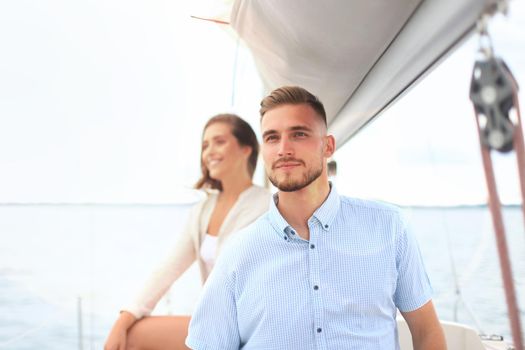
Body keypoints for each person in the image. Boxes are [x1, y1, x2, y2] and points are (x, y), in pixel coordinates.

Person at [186, 86, 446, 349]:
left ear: (328, 145)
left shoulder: (389, 228)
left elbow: (427, 333)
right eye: (272, 138)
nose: (284, 149)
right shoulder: (238, 253)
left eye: (298, 134)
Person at [104, 114, 271, 350]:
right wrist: (124, 318)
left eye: (219, 141)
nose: (209, 151)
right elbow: (168, 268)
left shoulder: (265, 206)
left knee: (135, 338)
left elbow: (226, 276)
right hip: (216, 323)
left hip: (248, 328)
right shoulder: (203, 210)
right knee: (129, 334)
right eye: (205, 145)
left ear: (247, 149)